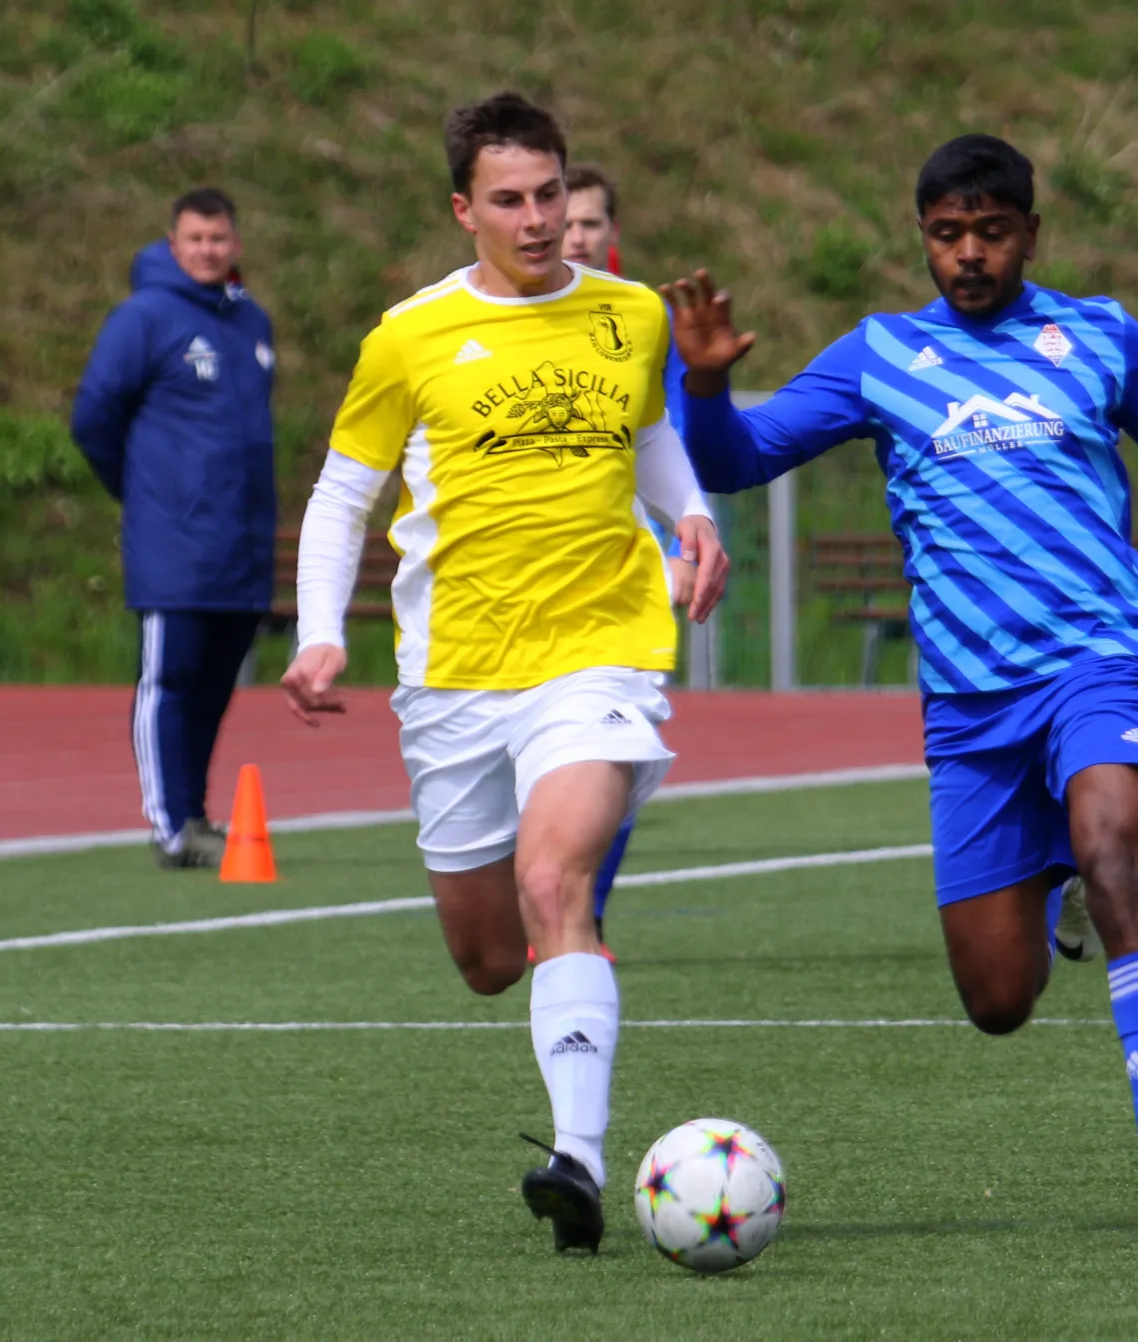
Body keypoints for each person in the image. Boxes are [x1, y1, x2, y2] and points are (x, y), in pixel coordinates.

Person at [662, 133, 1138, 1248]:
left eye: (990, 232)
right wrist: (703, 385)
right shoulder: (879, 354)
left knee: (1115, 846)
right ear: (922, 239)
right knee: (997, 1000)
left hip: (1101, 657)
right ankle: (1053, 879)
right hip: (971, 705)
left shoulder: (1100, 333)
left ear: (1030, 234)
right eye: (947, 234)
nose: (968, 254)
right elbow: (733, 460)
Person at [280, 93, 729, 1254]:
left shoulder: (630, 315)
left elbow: (648, 436)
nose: (537, 221)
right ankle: (565, 1097)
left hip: (598, 649)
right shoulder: (408, 336)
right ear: (462, 210)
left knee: (553, 879)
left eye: (550, 196)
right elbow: (341, 494)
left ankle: (577, 1158)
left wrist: (691, 516)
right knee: (486, 959)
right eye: (510, 201)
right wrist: (319, 631)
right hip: (455, 675)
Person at [71, 188, 279, 870]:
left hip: (240, 542)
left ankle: (193, 811)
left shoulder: (251, 321)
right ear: (172, 243)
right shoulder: (144, 317)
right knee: (170, 681)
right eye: (195, 239)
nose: (207, 251)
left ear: (235, 244)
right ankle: (168, 824)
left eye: (218, 239)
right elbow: (94, 417)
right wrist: (144, 492)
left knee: (216, 688)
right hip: (175, 542)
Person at [558, 162, 698, 957]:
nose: (574, 235)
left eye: (590, 222)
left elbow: (669, 435)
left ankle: (587, 913)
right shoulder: (492, 313)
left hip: (626, 563)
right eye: (566, 220)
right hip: (524, 573)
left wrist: (681, 542)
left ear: (612, 231)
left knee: (618, 736)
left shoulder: (641, 318)